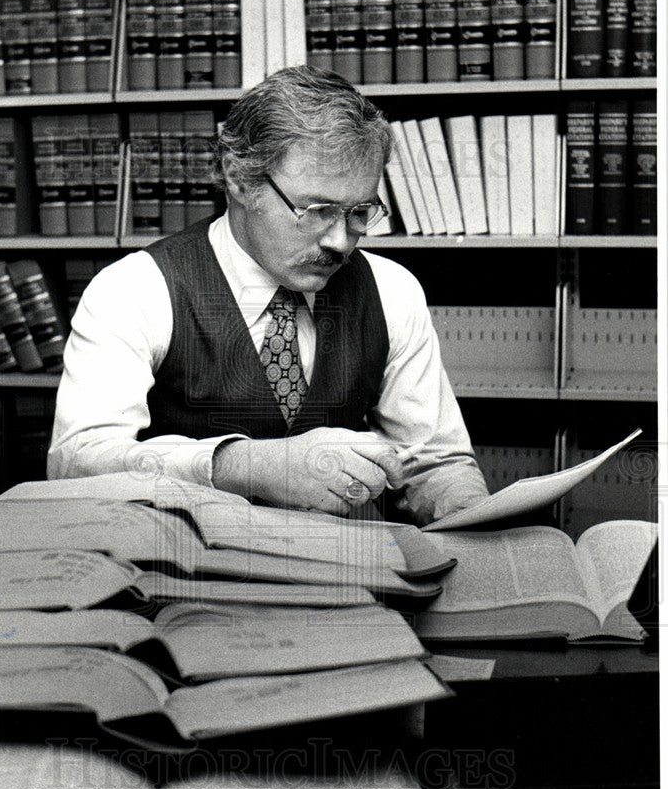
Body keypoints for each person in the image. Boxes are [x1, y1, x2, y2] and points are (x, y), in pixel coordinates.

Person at [48, 66, 489, 525]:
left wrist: (464, 508)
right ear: (240, 179)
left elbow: (434, 461)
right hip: (187, 577)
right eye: (317, 210)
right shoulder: (135, 289)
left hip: (342, 576)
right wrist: (245, 465)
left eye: (359, 212)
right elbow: (75, 464)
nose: (340, 241)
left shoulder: (392, 291)